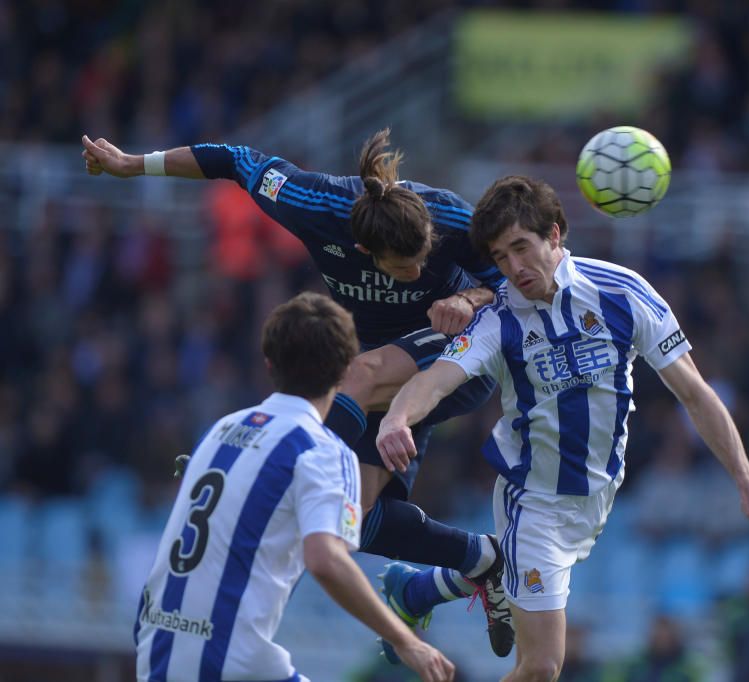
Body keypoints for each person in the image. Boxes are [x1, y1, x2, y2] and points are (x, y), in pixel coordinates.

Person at [81, 130, 514, 656]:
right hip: (377, 381)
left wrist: (468, 296)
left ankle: (274, 471)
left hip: (456, 357)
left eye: (423, 261)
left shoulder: (451, 220)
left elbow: (512, 284)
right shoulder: (316, 203)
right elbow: (235, 160)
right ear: (362, 250)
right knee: (354, 521)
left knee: (355, 375)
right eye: (404, 269)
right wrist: (133, 163)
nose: (419, 274)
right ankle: (482, 560)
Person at [376, 175, 749, 680]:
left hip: (596, 498)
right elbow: (437, 379)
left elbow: (696, 394)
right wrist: (397, 417)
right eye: (501, 257)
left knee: (513, 576)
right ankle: (435, 586)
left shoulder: (622, 293)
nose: (513, 268)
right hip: (533, 498)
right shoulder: (498, 318)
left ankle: (417, 589)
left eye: (521, 248)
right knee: (543, 666)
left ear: (555, 234)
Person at [134, 291, 454, 682]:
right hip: (229, 660)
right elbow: (325, 559)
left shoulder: (222, 428)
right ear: (344, 372)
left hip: (157, 647)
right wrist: (407, 641)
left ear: (269, 364)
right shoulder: (322, 450)